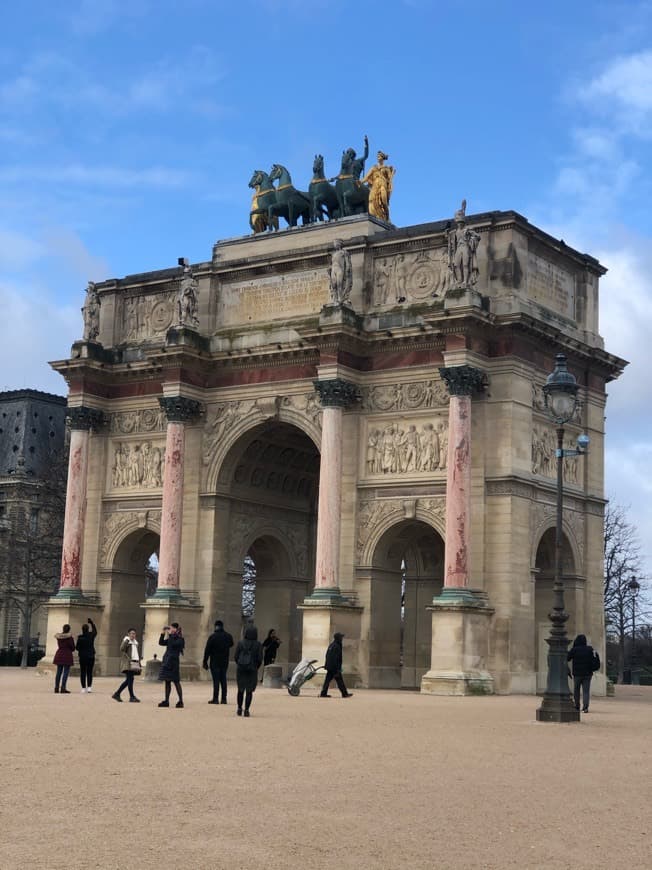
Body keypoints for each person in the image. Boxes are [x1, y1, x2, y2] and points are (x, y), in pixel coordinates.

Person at [202, 619, 234, 704]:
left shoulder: (213, 637)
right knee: (223, 679)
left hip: (215, 661)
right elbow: (231, 644)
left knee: (216, 680)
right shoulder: (228, 636)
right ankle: (224, 699)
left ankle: (215, 698)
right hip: (224, 661)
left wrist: (205, 661)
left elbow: (207, 650)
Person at [234, 625, 263, 717]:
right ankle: (246, 710)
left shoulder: (240, 643)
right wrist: (255, 666)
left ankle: (239, 708)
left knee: (240, 690)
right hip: (252, 669)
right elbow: (260, 659)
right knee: (249, 691)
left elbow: (236, 656)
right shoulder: (258, 644)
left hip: (241, 669)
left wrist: (240, 664)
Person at [567, 633, 600, 713]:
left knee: (576, 690)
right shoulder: (590, 649)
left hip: (577, 673)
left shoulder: (574, 649)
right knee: (586, 691)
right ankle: (585, 707)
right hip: (588, 673)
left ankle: (577, 706)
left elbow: (567, 658)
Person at [158, 623, 185, 708]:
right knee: (167, 681)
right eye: (171, 628)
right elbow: (161, 642)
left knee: (176, 682)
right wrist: (163, 633)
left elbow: (174, 644)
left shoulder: (180, 639)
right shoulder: (171, 638)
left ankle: (180, 701)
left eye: (172, 628)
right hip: (167, 662)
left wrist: (170, 635)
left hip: (173, 663)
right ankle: (166, 701)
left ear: (176, 629)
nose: (171, 629)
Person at [112, 628, 142, 703]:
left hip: (134, 663)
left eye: (134, 633)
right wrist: (127, 641)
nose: (133, 635)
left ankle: (117, 694)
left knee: (129, 680)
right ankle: (131, 696)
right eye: (131, 633)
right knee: (130, 679)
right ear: (128, 634)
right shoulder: (127, 641)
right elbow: (122, 649)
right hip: (128, 663)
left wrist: (138, 662)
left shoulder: (135, 643)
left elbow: (136, 654)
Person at [320, 632, 353, 698]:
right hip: (334, 667)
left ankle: (323, 693)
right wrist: (338, 669)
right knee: (339, 680)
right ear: (338, 638)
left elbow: (327, 656)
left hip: (330, 666)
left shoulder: (332, 645)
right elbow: (336, 658)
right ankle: (344, 694)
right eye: (341, 637)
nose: (342, 639)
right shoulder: (337, 646)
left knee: (328, 680)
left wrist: (327, 665)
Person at [76, 618, 97, 693]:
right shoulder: (91, 636)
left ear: (82, 630)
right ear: (88, 629)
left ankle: (83, 687)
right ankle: (89, 687)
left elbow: (77, 647)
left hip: (83, 656)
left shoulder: (80, 637)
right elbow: (95, 631)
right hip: (91, 655)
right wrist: (92, 623)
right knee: (89, 672)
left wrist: (81, 650)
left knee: (83, 672)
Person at [53, 624, 75, 694]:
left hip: (59, 653)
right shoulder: (70, 638)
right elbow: (73, 647)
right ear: (69, 629)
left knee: (58, 672)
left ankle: (56, 687)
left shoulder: (59, 637)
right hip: (67, 654)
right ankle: (63, 687)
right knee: (65, 672)